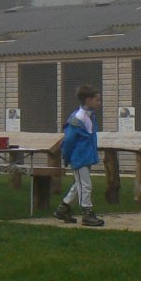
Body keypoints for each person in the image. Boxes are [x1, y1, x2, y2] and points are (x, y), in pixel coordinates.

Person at [55, 84, 105, 227]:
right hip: (79, 157)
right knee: (85, 185)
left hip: (85, 156)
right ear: (88, 100)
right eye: (97, 100)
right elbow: (69, 140)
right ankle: (87, 213)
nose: (99, 103)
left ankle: (63, 208)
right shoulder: (78, 118)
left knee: (79, 184)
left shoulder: (89, 116)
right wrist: (67, 156)